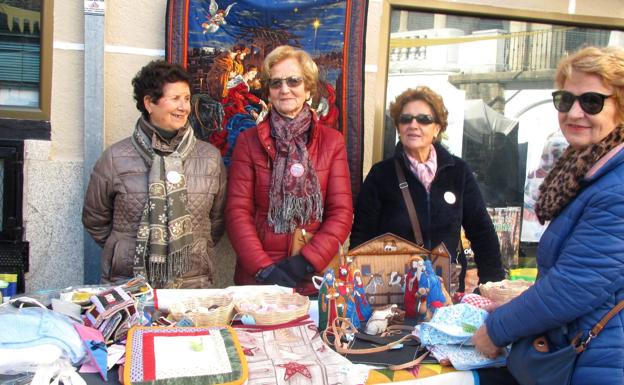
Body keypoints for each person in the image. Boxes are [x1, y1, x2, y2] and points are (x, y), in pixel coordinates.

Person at [473, 46, 624, 385]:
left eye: (592, 102)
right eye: (565, 100)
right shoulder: (586, 170)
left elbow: (575, 284)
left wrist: (495, 330)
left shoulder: (616, 185)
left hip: (600, 361)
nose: (574, 112)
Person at [83, 60, 227, 289]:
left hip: (193, 283)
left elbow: (217, 221)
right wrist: (125, 249)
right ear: (150, 103)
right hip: (129, 282)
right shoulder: (115, 158)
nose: (184, 107)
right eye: (175, 99)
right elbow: (95, 219)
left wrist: (190, 249)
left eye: (187, 98)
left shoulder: (209, 158)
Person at [350, 86, 505, 291]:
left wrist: (492, 286)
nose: (413, 125)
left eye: (423, 119)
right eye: (406, 119)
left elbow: (481, 231)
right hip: (393, 290)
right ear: (398, 127)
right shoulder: (381, 175)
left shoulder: (458, 172)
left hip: (445, 292)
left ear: (437, 128)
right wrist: (358, 286)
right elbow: (362, 238)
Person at [226, 45, 353, 295]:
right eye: (276, 83)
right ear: (269, 91)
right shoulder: (247, 141)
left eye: (293, 81)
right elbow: (237, 212)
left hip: (314, 278)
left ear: (308, 89)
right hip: (258, 281)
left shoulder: (332, 141)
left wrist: (304, 263)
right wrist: (264, 269)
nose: (285, 89)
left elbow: (341, 213)